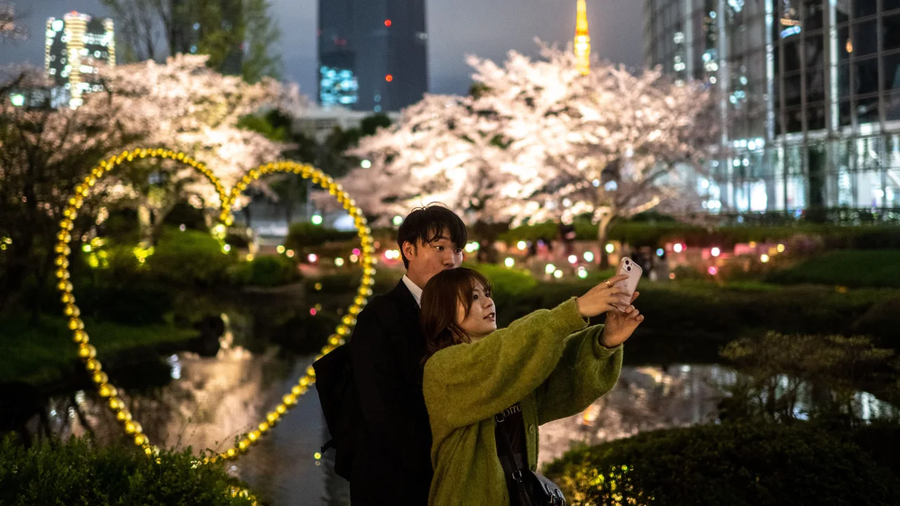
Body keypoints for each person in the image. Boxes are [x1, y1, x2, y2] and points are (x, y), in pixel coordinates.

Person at [420, 269, 643, 506]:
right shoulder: (442, 369)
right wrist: (573, 311)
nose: (488, 303)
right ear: (443, 310)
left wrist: (605, 342)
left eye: (486, 294)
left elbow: (562, 380)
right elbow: (499, 354)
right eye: (474, 297)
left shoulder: (512, 369)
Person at [348, 204, 467, 505]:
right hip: (395, 483)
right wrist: (439, 464)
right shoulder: (378, 317)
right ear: (409, 250)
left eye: (457, 250)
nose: (451, 260)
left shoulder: (467, 310)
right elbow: (381, 412)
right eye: (439, 247)